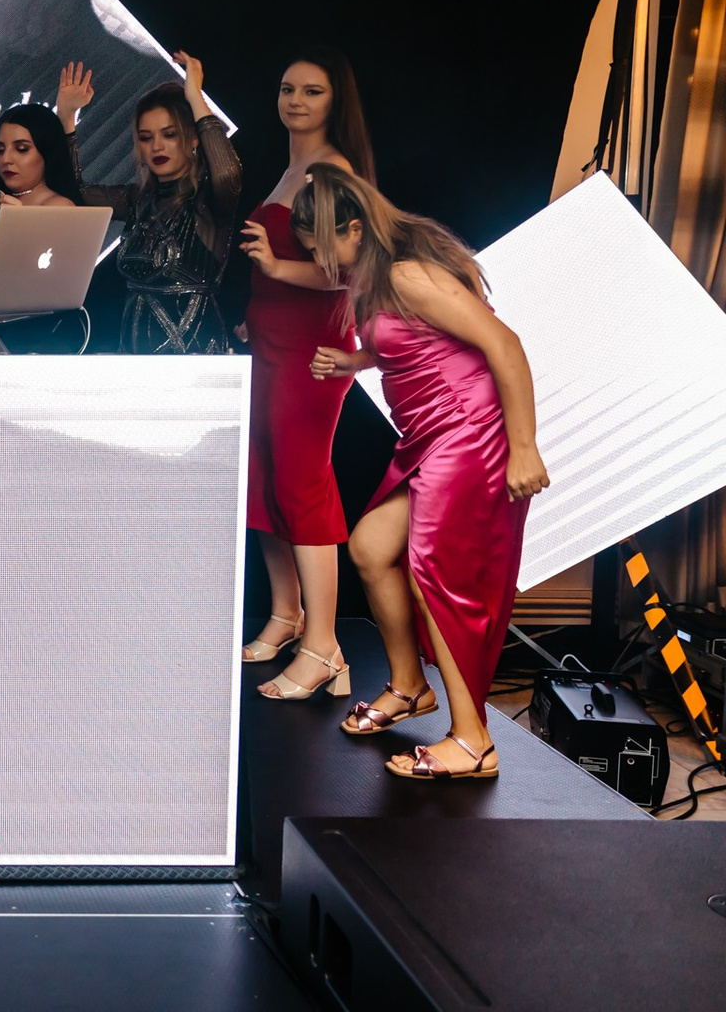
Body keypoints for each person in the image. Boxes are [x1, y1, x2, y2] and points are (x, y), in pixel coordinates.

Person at [295, 166, 547, 779]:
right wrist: (354, 360)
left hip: (468, 430)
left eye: (323, 248)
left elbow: (505, 345)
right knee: (370, 547)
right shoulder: (375, 280)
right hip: (427, 439)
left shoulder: (410, 274)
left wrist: (524, 447)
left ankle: (474, 741)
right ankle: (410, 687)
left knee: (435, 575)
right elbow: (406, 344)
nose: (321, 263)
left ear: (355, 230)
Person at [236, 48, 377, 699]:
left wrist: (274, 270)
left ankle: (325, 647)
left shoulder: (333, 170)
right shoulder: (294, 166)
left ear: (334, 101)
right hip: (269, 344)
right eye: (287, 88)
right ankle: (287, 616)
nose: (294, 100)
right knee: (265, 482)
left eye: (311, 91)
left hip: (312, 353)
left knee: (303, 487)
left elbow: (350, 270)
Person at [55, 54, 243, 354]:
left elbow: (228, 170)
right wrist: (66, 117)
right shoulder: (137, 199)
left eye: (169, 134)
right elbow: (73, 192)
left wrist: (194, 95)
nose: (156, 146)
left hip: (195, 359)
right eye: (146, 137)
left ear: (193, 138)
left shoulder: (210, 198)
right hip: (134, 356)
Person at [0, 103, 87, 352]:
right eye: (0, 150)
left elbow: (38, 290)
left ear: (47, 152)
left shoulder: (59, 207)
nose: (6, 159)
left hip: (32, 345)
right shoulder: (7, 202)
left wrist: (19, 229)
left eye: (21, 149)